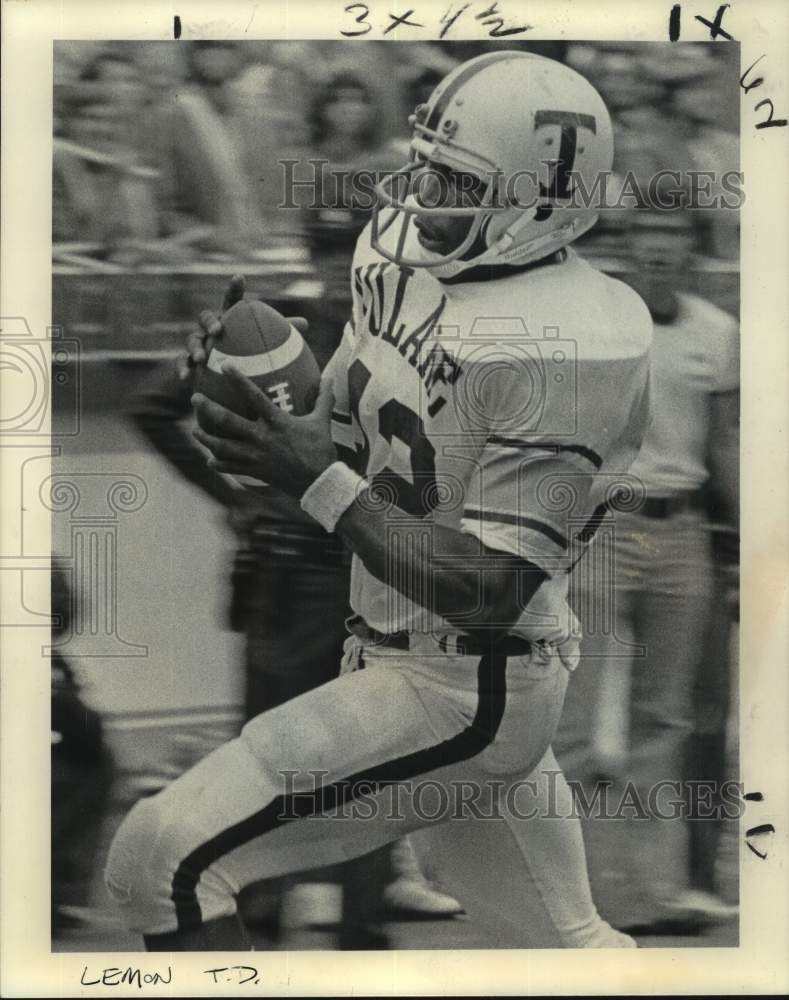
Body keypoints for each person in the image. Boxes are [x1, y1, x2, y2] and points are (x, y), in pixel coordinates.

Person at [105, 50, 652, 951]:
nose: (421, 194)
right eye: (426, 163)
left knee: (161, 858)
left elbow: (490, 587)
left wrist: (313, 479)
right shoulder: (396, 246)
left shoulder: (577, 339)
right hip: (393, 650)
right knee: (567, 952)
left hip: (469, 682)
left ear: (537, 206)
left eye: (454, 181)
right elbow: (363, 431)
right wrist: (262, 398)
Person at [555, 211, 739, 929]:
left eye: (669, 257)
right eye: (643, 256)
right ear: (626, 260)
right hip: (602, 526)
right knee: (573, 715)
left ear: (689, 263)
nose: (655, 267)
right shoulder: (592, 327)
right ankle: (567, 892)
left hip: (683, 530)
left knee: (661, 716)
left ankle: (651, 892)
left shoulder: (715, 334)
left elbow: (723, 442)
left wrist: (739, 535)